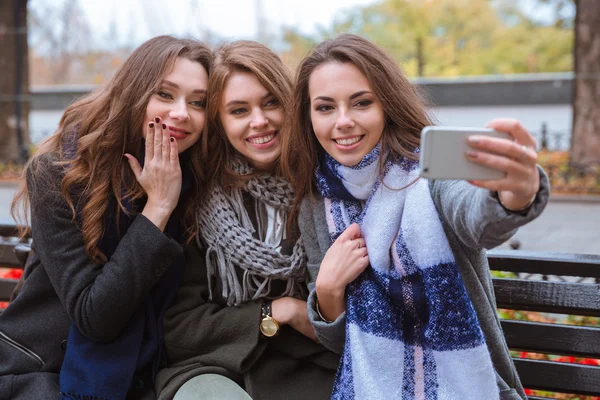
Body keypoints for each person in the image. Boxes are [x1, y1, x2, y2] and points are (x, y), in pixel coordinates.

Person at [281, 33, 550, 400]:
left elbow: (477, 216)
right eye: (325, 107)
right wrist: (328, 291)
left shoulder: (428, 171)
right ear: (308, 116)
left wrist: (515, 193)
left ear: (386, 105)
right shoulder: (316, 203)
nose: (343, 121)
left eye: (361, 103)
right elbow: (341, 345)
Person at [0, 35, 212, 400]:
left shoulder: (198, 186)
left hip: (150, 374)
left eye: (198, 102)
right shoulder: (57, 175)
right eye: (165, 94)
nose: (182, 112)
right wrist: (158, 208)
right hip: (40, 371)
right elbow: (94, 317)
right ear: (134, 92)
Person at [155, 40, 338, 400]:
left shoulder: (328, 188)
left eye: (271, 102)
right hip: (214, 368)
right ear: (220, 123)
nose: (259, 121)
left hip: (316, 369)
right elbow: (179, 326)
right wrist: (276, 312)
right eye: (239, 110)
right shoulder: (198, 199)